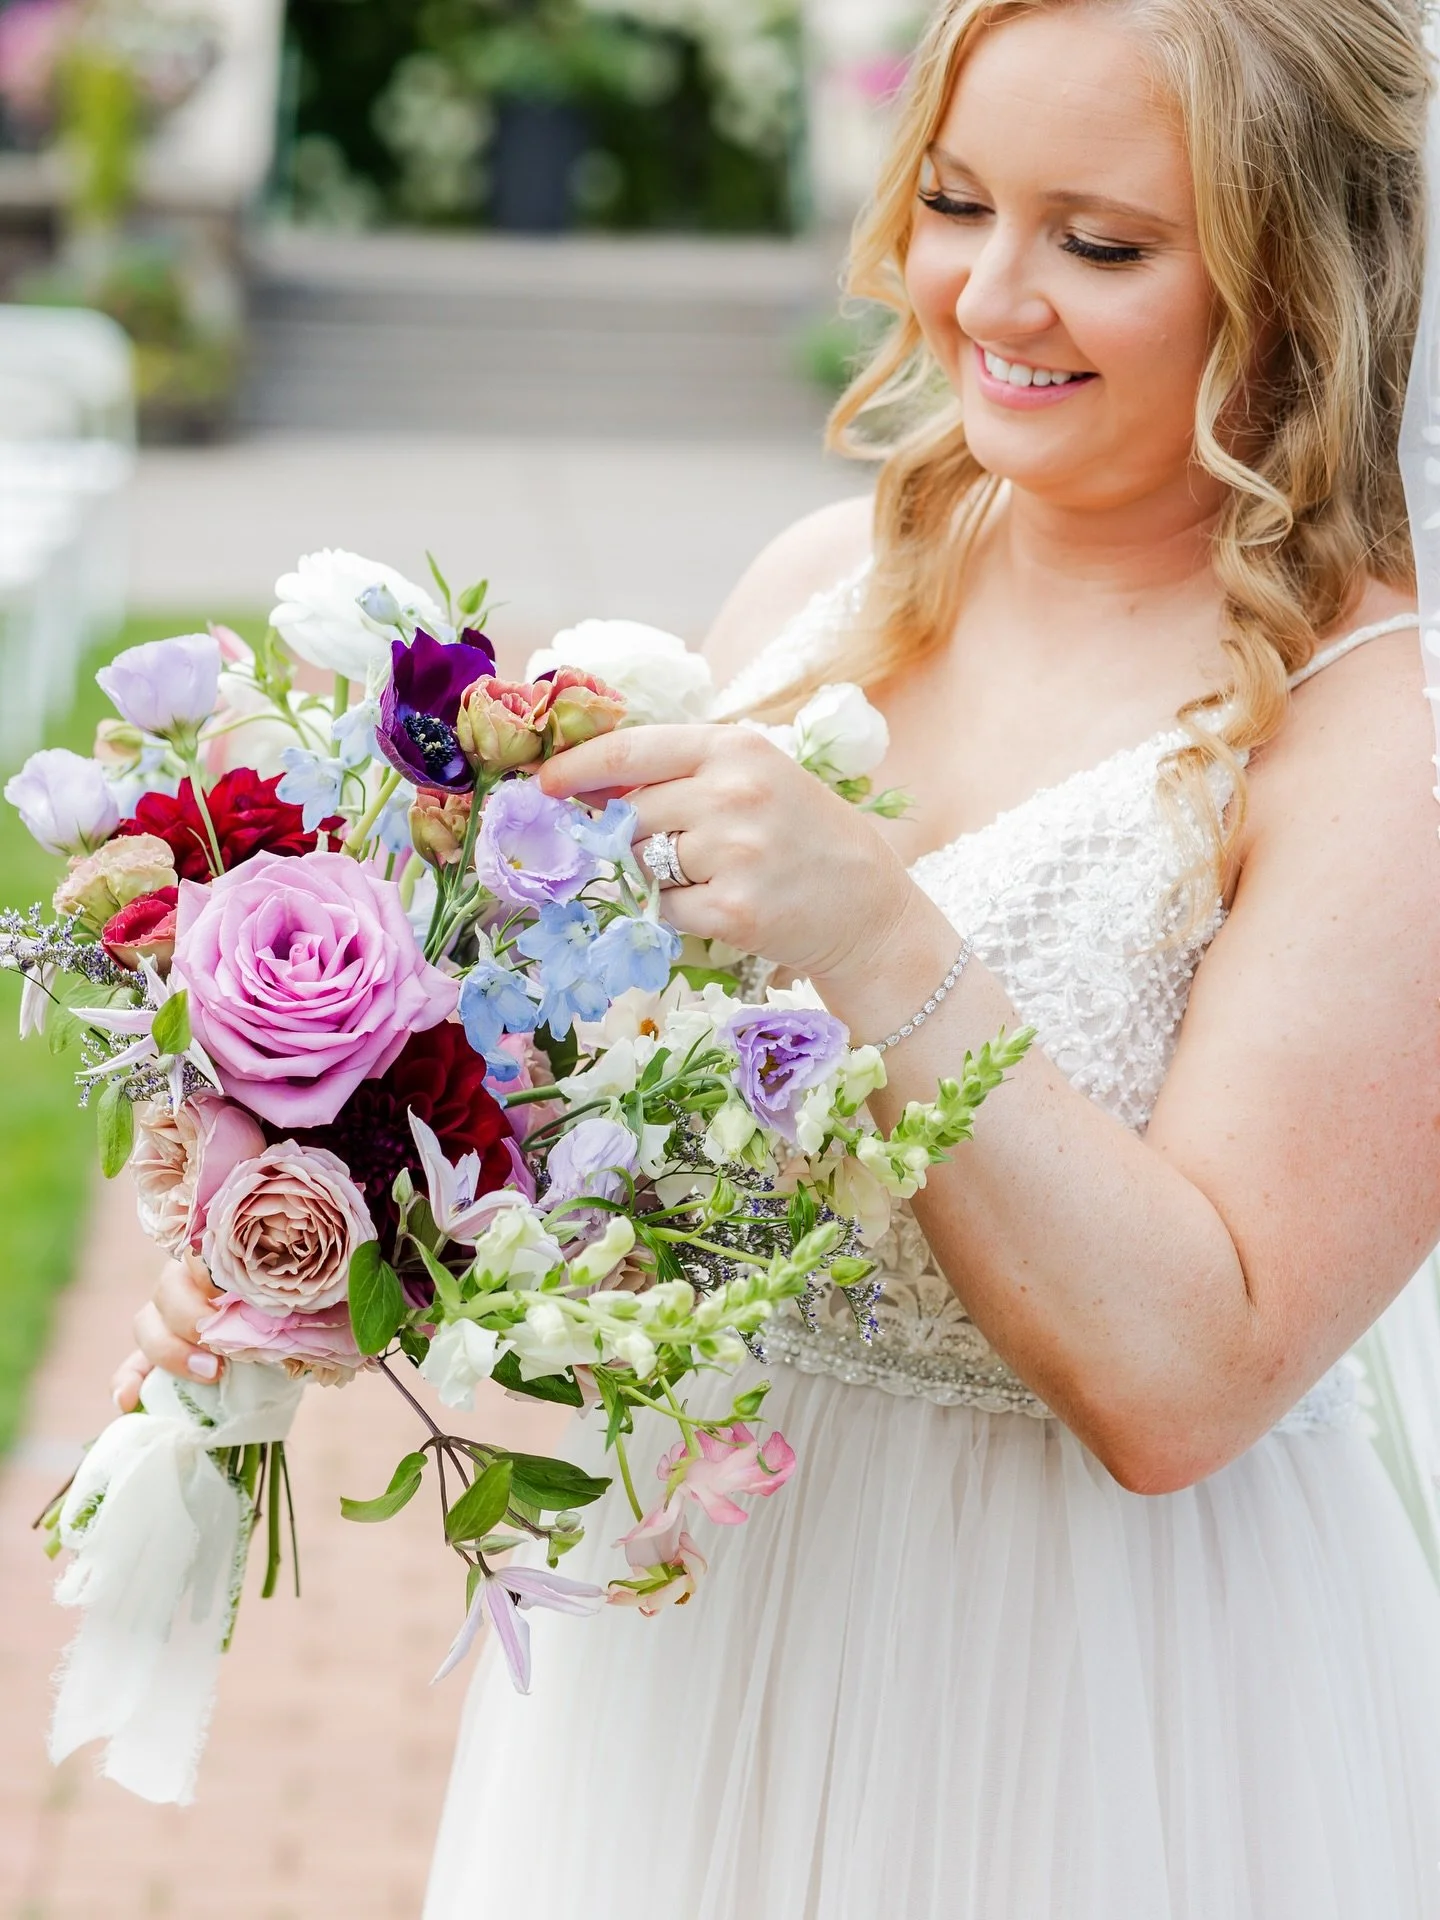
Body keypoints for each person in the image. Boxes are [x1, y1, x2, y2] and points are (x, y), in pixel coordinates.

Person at [123, 0, 1440, 1911]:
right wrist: (334, 1229)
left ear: (1299, 278)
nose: (991, 296)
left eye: (1100, 243)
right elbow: (643, 1163)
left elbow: (1188, 1387)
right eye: (959, 203)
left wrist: (875, 928)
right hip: (713, 1624)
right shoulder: (825, 590)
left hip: (1089, 1694)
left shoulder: (1378, 742)